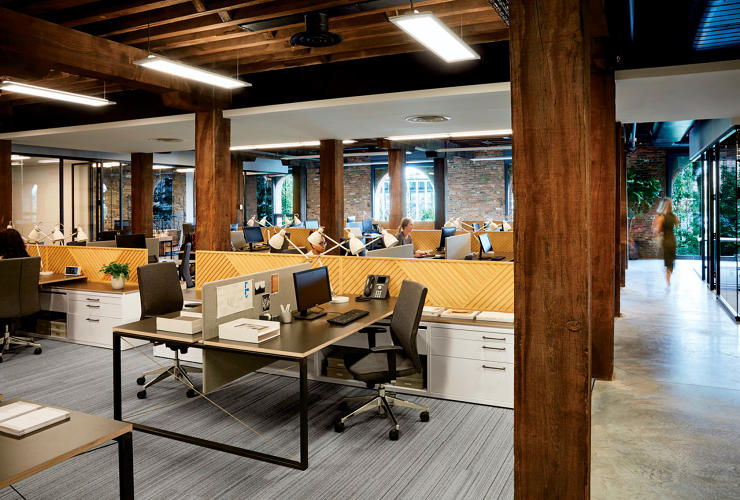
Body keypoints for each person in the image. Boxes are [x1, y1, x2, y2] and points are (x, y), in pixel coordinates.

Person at [652, 198, 679, 286]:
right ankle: (670, 272)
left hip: (666, 241)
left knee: (668, 261)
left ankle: (668, 280)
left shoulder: (662, 217)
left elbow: (656, 231)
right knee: (671, 259)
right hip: (673, 240)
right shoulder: (674, 216)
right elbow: (677, 225)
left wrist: (656, 221)